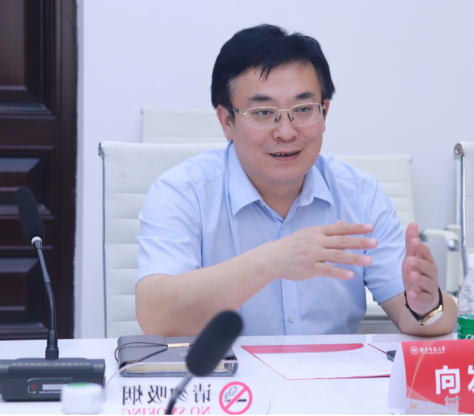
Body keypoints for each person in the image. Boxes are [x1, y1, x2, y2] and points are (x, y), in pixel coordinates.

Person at [135, 24, 457, 337]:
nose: (287, 132)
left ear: (324, 112)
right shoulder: (182, 193)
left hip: (332, 374)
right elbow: (155, 317)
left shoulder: (360, 195)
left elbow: (420, 318)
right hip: (227, 375)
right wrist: (269, 261)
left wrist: (427, 306)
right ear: (226, 121)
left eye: (303, 109)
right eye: (263, 113)